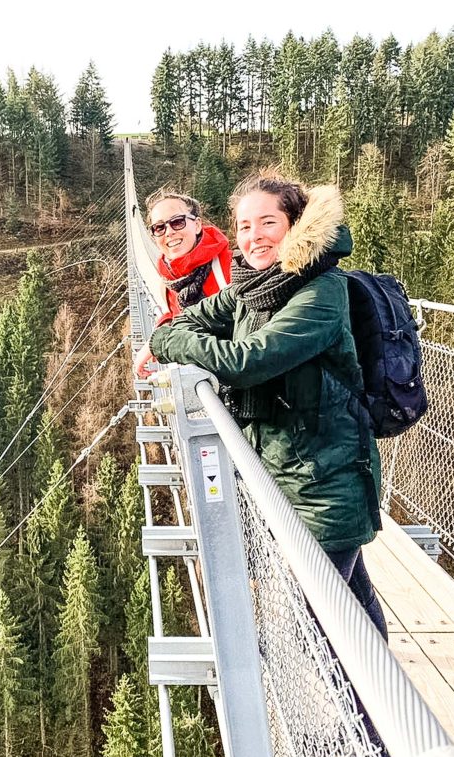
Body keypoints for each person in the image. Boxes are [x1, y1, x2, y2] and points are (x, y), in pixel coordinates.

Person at [143, 171, 387, 640]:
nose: (254, 237)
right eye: (244, 226)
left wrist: (166, 340)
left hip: (326, 483)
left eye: (267, 223)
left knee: (316, 626)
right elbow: (192, 317)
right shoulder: (255, 287)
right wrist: (168, 334)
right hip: (285, 473)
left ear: (296, 225)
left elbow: (246, 362)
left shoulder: (321, 291)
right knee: (353, 602)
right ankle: (378, 703)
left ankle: (362, 713)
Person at [132, 190, 232, 378]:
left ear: (197, 225)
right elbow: (177, 315)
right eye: (159, 228)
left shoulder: (230, 267)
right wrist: (165, 326)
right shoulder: (169, 282)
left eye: (177, 222)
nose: (169, 232)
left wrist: (161, 341)